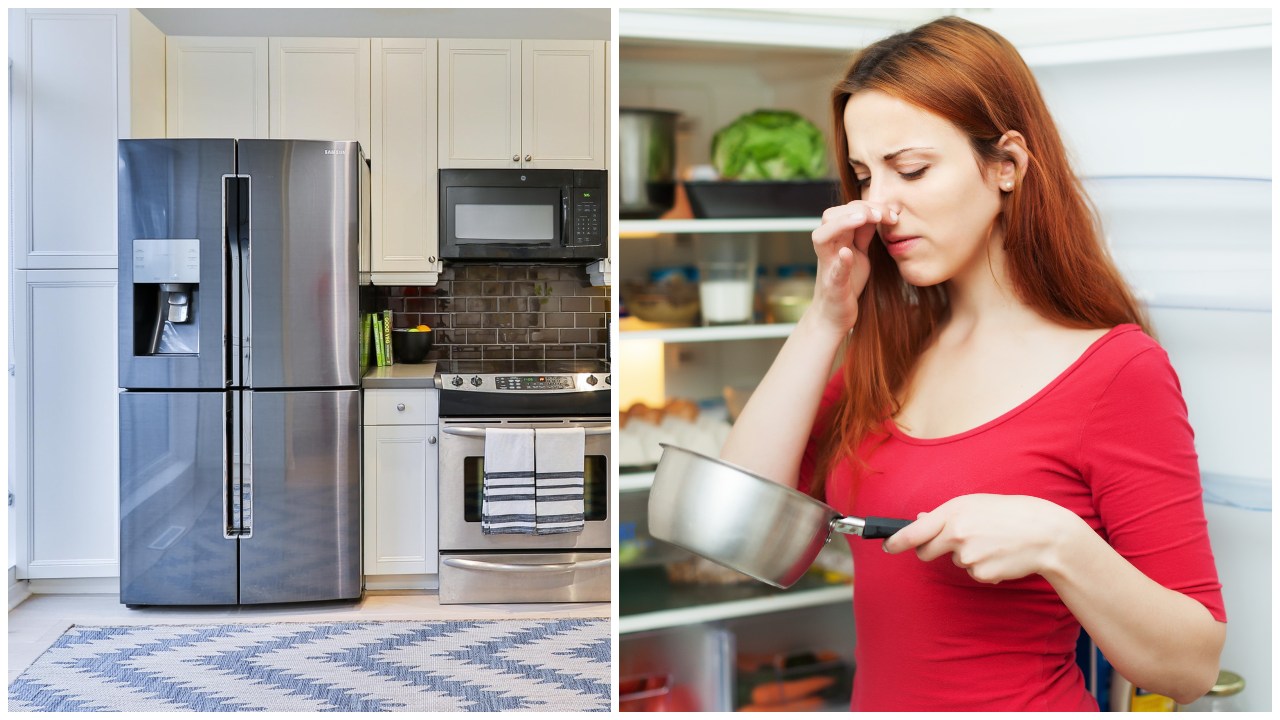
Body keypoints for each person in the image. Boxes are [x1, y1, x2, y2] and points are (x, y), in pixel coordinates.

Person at [719, 16, 1225, 712]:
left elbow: (1191, 667)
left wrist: (1059, 543)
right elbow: (738, 529)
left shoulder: (1117, 371)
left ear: (1006, 165)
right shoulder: (890, 356)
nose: (879, 206)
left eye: (912, 170)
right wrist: (824, 319)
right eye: (864, 177)